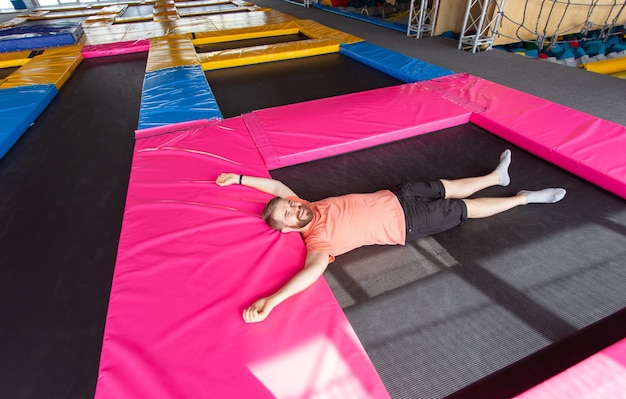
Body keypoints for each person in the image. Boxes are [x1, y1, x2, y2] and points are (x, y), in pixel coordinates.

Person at [216, 150, 566, 323]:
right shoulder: (319, 242)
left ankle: (496, 176)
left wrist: (241, 179)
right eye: (288, 216)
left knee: (451, 187)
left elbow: (277, 186)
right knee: (467, 208)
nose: (294, 210)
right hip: (408, 222)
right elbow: (310, 273)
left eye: (289, 206)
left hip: (399, 194)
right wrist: (272, 301)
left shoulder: (307, 204)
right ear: (290, 230)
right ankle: (525, 198)